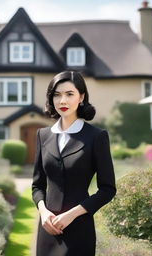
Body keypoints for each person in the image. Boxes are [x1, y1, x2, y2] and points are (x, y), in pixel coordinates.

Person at [32, 71, 116, 256]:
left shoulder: (96, 137)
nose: (63, 101)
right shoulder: (42, 135)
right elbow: (37, 185)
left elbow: (107, 189)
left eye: (69, 94)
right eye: (57, 94)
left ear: (82, 97)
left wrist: (72, 214)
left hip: (79, 228)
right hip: (48, 229)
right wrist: (44, 212)